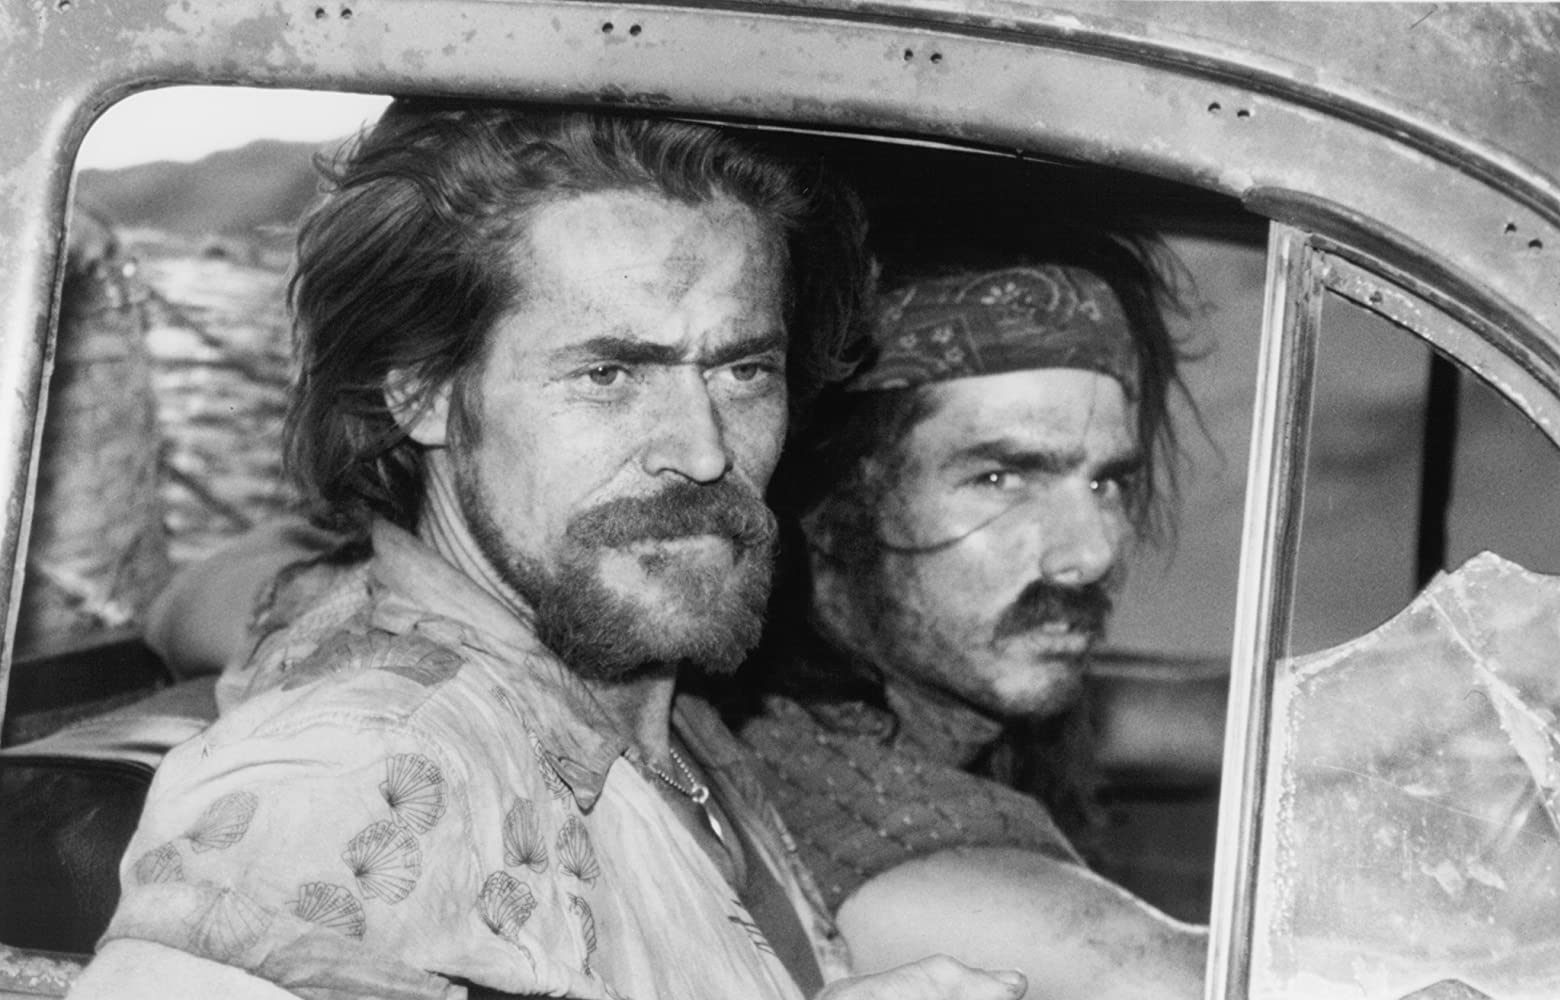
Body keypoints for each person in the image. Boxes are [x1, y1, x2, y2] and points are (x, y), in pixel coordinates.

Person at [69, 101, 1030, 1000]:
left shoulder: (654, 707)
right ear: (421, 392)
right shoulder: (359, 773)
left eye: (744, 370)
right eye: (609, 374)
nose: (703, 451)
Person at [732, 233, 1211, 999]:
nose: (1088, 554)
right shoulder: (852, 819)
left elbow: (1191, 719)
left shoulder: (920, 703)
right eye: (1000, 478)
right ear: (831, 503)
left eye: (1106, 484)